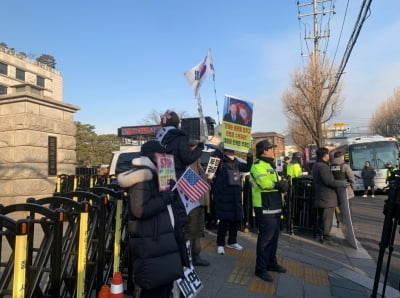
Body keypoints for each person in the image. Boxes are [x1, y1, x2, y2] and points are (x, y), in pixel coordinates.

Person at [117, 140, 189, 298]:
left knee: (164, 284)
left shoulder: (160, 175)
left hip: (162, 240)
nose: (164, 158)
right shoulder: (142, 177)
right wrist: (165, 198)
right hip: (152, 242)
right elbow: (139, 209)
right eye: (161, 155)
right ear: (151, 156)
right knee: (154, 287)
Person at [250, 140, 289, 282]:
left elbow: (274, 184)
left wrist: (282, 183)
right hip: (265, 206)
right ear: (264, 151)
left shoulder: (269, 165)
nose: (274, 150)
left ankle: (271, 263)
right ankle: (260, 269)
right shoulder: (257, 165)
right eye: (271, 148)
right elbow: (265, 184)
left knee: (274, 238)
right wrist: (279, 185)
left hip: (274, 205)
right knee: (265, 239)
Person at [212, 145, 252, 255]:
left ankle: (232, 241)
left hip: (235, 196)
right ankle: (220, 243)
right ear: (225, 151)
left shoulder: (237, 163)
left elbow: (248, 168)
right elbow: (211, 168)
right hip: (224, 196)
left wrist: (249, 156)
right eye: (230, 150)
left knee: (235, 220)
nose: (233, 152)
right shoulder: (220, 161)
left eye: (233, 150)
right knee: (224, 221)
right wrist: (220, 148)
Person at [312, 147, 348, 246]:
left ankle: (322, 235)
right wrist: (342, 183)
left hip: (321, 196)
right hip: (327, 197)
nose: (329, 156)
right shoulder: (323, 167)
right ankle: (326, 238)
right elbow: (329, 181)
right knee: (327, 219)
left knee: (322, 218)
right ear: (325, 155)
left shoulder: (316, 165)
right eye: (328, 154)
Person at [184, 140, 210, 267]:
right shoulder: (186, 163)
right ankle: (189, 258)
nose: (199, 151)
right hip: (191, 203)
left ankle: (196, 256)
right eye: (196, 147)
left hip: (199, 202)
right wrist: (204, 180)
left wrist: (206, 178)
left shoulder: (197, 163)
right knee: (190, 231)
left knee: (198, 230)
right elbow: (190, 183)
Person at [156, 110, 204, 179]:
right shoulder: (180, 138)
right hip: (177, 177)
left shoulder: (159, 137)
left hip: (162, 176)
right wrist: (199, 148)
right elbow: (187, 159)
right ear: (177, 122)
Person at [330, 151, 356, 225]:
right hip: (346, 190)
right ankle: (348, 222)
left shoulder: (330, 165)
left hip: (335, 189)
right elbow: (351, 177)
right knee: (347, 207)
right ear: (341, 156)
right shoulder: (345, 165)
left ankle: (339, 221)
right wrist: (353, 187)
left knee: (337, 206)